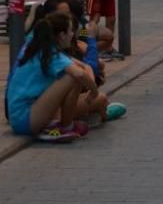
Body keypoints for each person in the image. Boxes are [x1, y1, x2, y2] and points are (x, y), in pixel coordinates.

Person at [5, 12, 100, 142]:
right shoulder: (51, 53)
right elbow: (80, 73)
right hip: (25, 119)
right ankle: (65, 126)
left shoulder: (36, 45)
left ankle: (62, 125)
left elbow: (83, 67)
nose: (73, 34)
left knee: (73, 75)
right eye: (71, 31)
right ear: (61, 35)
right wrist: (94, 91)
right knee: (72, 77)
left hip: (20, 115)